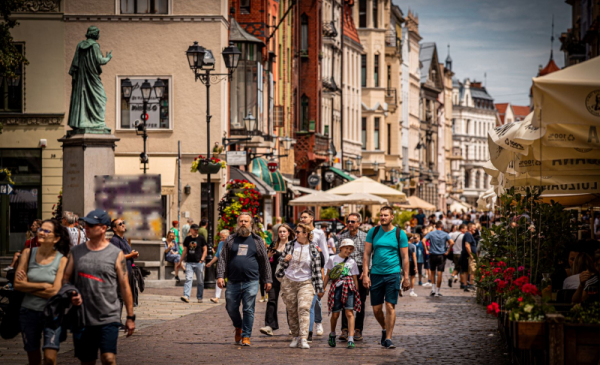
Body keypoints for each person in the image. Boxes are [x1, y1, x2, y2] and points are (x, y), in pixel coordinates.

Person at [62, 209, 136, 364]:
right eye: (86, 223)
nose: (86, 227)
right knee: (87, 361)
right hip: (83, 317)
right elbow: (65, 279)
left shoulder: (116, 254)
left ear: (103, 228)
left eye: (91, 224)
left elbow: (124, 286)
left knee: (108, 358)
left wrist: (130, 316)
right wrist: (71, 293)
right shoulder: (76, 252)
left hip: (108, 316)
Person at [14, 219, 69, 365]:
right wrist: (44, 285)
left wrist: (29, 285)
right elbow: (17, 285)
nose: (41, 232)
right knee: (34, 359)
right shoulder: (27, 253)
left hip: (52, 313)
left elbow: (55, 292)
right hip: (28, 312)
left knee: (50, 359)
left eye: (46, 230)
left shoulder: (62, 260)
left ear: (56, 238)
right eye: (41, 229)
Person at [217, 212, 272, 346]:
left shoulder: (257, 240)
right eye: (241, 221)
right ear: (238, 223)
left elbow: (264, 261)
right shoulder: (230, 239)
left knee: (248, 309)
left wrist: (267, 279)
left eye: (246, 221)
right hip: (233, 281)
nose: (243, 223)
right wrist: (220, 276)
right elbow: (223, 258)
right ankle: (238, 326)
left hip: (251, 281)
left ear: (251, 224)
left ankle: (246, 335)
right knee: (231, 307)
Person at [363, 206, 410, 349]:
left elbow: (405, 256)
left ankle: (389, 338)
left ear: (392, 217)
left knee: (390, 305)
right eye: (381, 215)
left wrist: (406, 276)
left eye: (385, 215)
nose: (382, 217)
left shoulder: (399, 233)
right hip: (376, 274)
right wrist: (365, 274)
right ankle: (384, 327)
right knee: (376, 309)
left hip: (393, 274)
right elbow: (366, 254)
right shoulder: (373, 231)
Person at [276, 223, 324, 349]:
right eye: (296, 232)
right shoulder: (290, 245)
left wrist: (320, 288)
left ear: (306, 234)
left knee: (304, 308)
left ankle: (303, 338)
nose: (295, 234)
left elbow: (318, 270)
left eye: (298, 232)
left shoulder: (314, 248)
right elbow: (280, 260)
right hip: (289, 282)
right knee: (292, 311)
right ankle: (295, 336)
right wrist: (284, 259)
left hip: (306, 282)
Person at [335, 213, 368, 342]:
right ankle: (345, 329)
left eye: (353, 221)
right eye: (348, 221)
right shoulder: (342, 237)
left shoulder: (365, 237)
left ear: (359, 223)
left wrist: (366, 273)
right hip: (346, 270)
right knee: (344, 300)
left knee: (360, 301)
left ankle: (358, 330)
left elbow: (368, 256)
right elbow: (339, 255)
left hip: (360, 269)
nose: (350, 223)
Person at [324, 239, 361, 349]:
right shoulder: (332, 259)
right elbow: (328, 275)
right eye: (346, 248)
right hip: (336, 288)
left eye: (350, 249)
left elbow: (355, 278)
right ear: (340, 248)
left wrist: (356, 292)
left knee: (349, 313)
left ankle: (350, 338)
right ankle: (332, 334)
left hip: (349, 287)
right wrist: (323, 288)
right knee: (335, 314)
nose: (348, 251)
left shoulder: (352, 262)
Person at [260, 224, 295, 336]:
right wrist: (268, 255)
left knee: (289, 302)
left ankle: (293, 326)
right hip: (274, 276)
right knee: (271, 300)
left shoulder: (293, 246)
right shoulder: (274, 245)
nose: (282, 233)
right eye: (280, 231)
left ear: (288, 233)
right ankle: (270, 326)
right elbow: (266, 261)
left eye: (284, 231)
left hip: (287, 277)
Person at [299, 210, 328, 339]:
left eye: (305, 217)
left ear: (311, 218)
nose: (302, 219)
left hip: (317, 269)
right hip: (303, 270)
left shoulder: (319, 233)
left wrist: (325, 272)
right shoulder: (298, 231)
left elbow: (325, 252)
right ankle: (304, 327)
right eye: (301, 217)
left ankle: (318, 322)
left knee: (316, 300)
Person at [424, 221, 454, 297]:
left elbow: (423, 240)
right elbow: (452, 242)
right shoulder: (445, 234)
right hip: (441, 255)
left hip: (432, 254)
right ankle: (437, 291)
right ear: (442, 226)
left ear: (435, 226)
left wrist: (426, 250)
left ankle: (433, 289)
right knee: (440, 273)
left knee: (433, 272)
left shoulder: (431, 233)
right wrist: (448, 250)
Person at [180, 224, 207, 303]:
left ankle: (199, 297)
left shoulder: (201, 238)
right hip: (189, 262)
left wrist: (202, 260)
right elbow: (185, 250)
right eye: (194, 230)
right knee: (188, 279)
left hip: (199, 262)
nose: (196, 231)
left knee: (200, 281)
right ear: (190, 230)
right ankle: (186, 296)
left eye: (197, 230)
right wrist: (180, 260)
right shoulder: (187, 239)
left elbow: (205, 249)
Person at [207, 229, 230, 303]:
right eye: (221, 237)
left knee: (231, 281)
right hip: (221, 265)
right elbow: (217, 255)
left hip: (230, 265)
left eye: (223, 237)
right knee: (219, 279)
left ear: (228, 236)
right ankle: (217, 297)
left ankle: (232, 297)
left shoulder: (232, 243)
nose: (221, 239)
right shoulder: (220, 244)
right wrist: (210, 263)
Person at [459, 223, 477, 292]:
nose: (475, 228)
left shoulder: (468, 235)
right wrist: (471, 255)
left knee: (466, 271)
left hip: (466, 255)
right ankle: (470, 285)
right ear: (470, 228)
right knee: (473, 270)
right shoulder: (468, 235)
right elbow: (467, 245)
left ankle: (466, 285)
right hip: (468, 256)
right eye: (474, 227)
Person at [449, 224, 466, 288]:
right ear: (461, 229)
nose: (465, 230)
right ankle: (462, 283)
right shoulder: (463, 235)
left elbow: (450, 242)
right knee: (462, 269)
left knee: (456, 267)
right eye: (465, 228)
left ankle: (451, 277)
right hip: (460, 253)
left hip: (454, 253)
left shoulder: (453, 234)